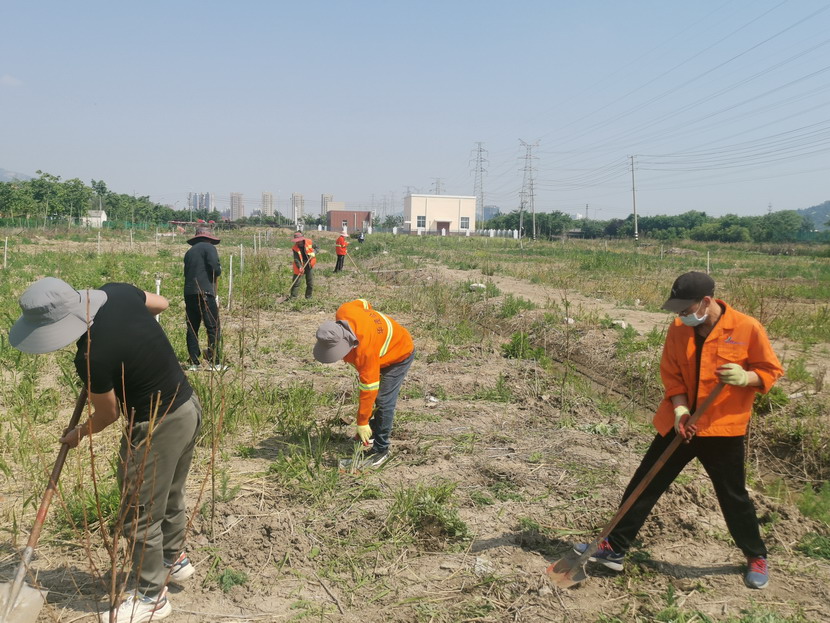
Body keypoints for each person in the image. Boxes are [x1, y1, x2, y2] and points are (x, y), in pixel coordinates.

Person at [572, 271, 783, 590]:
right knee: (646, 482)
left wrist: (746, 377)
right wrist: (681, 410)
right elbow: (672, 374)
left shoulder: (746, 328)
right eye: (678, 309)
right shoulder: (678, 329)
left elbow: (770, 370)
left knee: (733, 496)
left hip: (722, 429)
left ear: (706, 301)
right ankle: (614, 547)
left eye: (686, 308)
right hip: (680, 423)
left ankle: (756, 556)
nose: (681, 315)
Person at [10, 278, 201, 622]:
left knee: (139, 510)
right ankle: (173, 558)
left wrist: (79, 433)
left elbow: (108, 414)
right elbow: (161, 304)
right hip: (186, 406)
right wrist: (130, 338)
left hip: (156, 424)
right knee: (169, 492)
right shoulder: (118, 292)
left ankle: (151, 597)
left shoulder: (92, 356)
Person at [313, 299, 414, 468]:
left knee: (383, 400)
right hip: (380, 349)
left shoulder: (365, 351)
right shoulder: (345, 310)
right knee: (379, 399)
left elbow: (369, 390)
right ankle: (373, 430)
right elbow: (364, 303)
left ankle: (381, 450)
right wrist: (370, 320)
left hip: (400, 353)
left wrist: (362, 422)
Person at [183, 225, 222, 370]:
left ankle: (194, 362)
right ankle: (215, 361)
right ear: (208, 238)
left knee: (192, 327)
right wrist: (219, 270)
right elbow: (215, 267)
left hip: (189, 293)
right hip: (205, 292)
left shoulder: (189, 252)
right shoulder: (209, 247)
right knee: (213, 327)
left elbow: (186, 273)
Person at [290, 231, 316, 299]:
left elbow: (317, 248)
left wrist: (314, 252)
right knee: (296, 282)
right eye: (297, 241)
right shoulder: (295, 248)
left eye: (300, 241)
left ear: (302, 239)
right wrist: (300, 267)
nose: (299, 242)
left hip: (309, 264)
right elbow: (296, 259)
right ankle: (293, 297)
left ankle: (308, 297)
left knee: (310, 283)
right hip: (299, 265)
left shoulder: (309, 242)